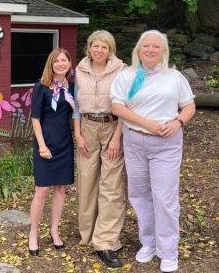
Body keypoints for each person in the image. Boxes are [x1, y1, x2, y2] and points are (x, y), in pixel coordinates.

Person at [110, 30, 195, 273]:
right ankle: (149, 242)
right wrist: (146, 124)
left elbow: (189, 106)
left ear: (163, 51)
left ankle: (168, 251)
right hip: (135, 141)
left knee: (165, 198)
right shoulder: (127, 76)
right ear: (138, 49)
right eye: (145, 45)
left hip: (166, 145)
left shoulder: (174, 77)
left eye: (155, 46)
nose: (150, 49)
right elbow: (117, 106)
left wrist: (178, 122)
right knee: (139, 195)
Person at [72, 30, 126, 268]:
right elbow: (75, 105)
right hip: (87, 127)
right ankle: (88, 234)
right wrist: (78, 134)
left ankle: (106, 241)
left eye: (104, 47)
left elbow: (126, 105)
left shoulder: (122, 71)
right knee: (87, 180)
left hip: (112, 125)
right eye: (96, 46)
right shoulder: (80, 69)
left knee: (111, 185)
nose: (99, 50)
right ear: (89, 48)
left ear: (110, 49)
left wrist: (117, 137)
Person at [28, 47, 75, 256]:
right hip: (45, 142)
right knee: (42, 190)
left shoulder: (72, 87)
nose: (60, 64)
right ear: (51, 64)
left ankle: (54, 230)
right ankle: (33, 232)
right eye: (57, 61)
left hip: (65, 143)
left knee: (60, 190)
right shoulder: (41, 87)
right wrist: (42, 145)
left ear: (69, 64)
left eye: (64, 60)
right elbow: (35, 118)